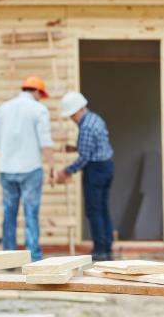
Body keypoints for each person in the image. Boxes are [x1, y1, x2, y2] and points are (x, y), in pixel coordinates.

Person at [0, 76, 54, 262]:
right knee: (31, 214)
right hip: (31, 168)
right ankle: (34, 258)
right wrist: (51, 167)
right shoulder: (39, 109)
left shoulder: (2, 109)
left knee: (9, 214)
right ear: (37, 92)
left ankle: (9, 259)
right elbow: (45, 142)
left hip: (6, 168)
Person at [56, 92, 114, 261]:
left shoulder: (86, 126)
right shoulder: (95, 119)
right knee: (103, 208)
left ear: (79, 110)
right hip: (107, 166)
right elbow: (94, 147)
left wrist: (66, 171)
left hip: (95, 170)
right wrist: (74, 148)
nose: (72, 119)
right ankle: (107, 247)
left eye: (72, 115)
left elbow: (85, 158)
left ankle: (100, 250)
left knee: (94, 210)